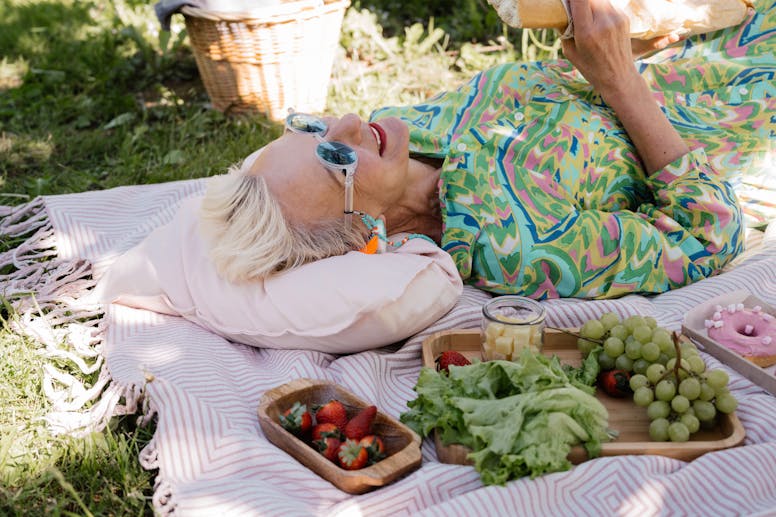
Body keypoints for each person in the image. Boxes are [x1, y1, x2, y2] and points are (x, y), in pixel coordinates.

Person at [199, 0, 774, 300]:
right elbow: (706, 234)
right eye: (336, 162)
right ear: (363, 233)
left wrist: (629, 41)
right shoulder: (514, 248)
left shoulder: (412, 132)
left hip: (698, 61)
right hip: (742, 124)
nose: (348, 122)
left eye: (310, 129)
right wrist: (622, 81)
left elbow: (559, 94)